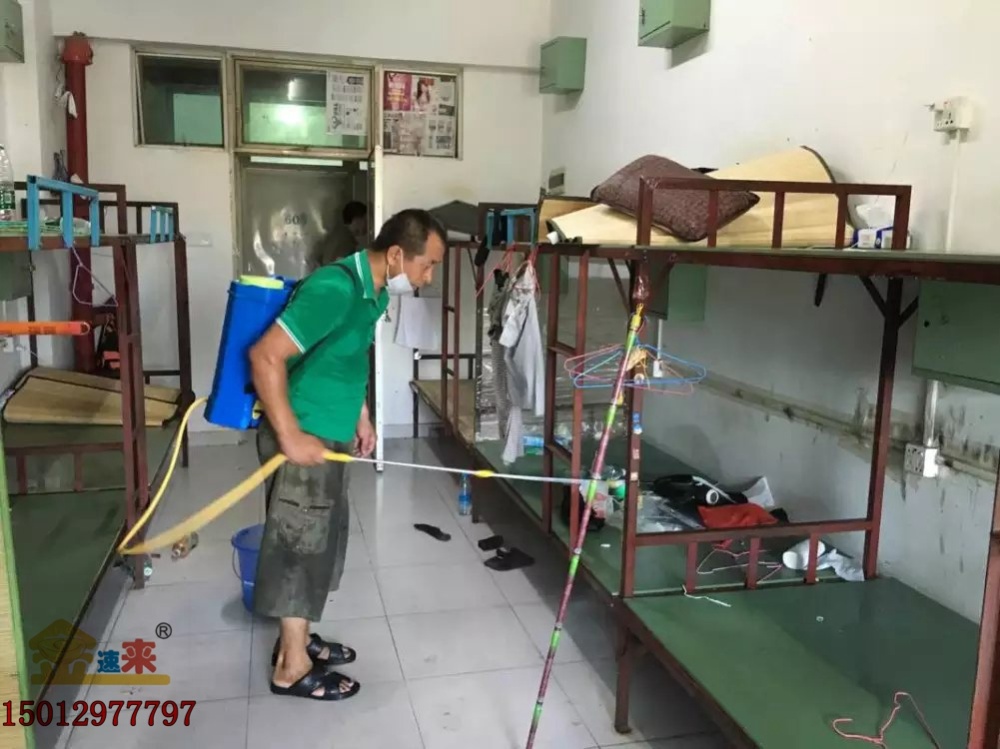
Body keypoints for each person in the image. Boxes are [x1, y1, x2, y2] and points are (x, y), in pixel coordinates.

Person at [249, 209, 446, 701]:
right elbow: (265, 356)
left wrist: (361, 417)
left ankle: (299, 639)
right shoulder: (334, 288)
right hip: (303, 432)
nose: (428, 277)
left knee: (320, 541)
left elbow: (345, 356)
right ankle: (291, 667)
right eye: (427, 265)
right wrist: (291, 435)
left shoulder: (372, 292)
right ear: (397, 255)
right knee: (298, 547)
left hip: (330, 432)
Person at [310, 200, 368, 270]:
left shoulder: (336, 235)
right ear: (356, 219)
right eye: (365, 220)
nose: (367, 224)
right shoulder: (346, 241)